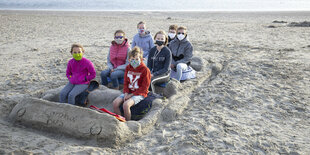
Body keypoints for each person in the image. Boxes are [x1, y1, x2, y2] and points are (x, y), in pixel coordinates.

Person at [112, 47, 151, 121]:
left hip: (139, 93)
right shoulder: (128, 67)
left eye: (137, 59)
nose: (134, 61)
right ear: (129, 60)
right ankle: (120, 119)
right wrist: (126, 93)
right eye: (132, 59)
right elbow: (126, 82)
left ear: (141, 59)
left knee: (126, 105)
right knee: (115, 103)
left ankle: (128, 122)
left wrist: (131, 95)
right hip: (129, 91)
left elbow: (144, 87)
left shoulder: (145, 70)